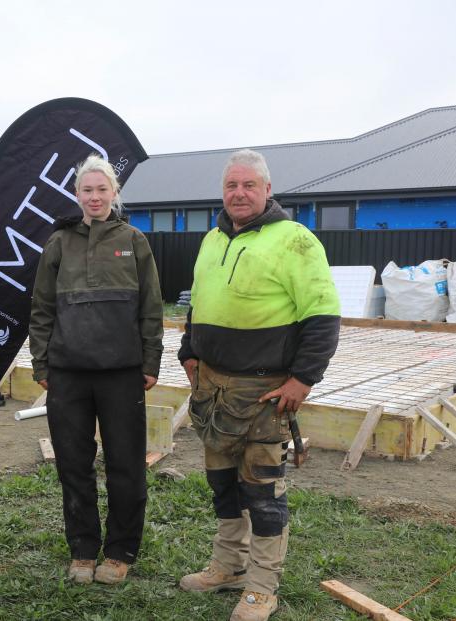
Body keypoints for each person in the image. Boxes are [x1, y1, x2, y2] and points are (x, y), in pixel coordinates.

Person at [177, 149, 340, 621]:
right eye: (231, 185)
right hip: (214, 391)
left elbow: (323, 317)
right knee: (223, 484)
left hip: (266, 392)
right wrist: (189, 351)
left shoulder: (296, 241)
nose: (239, 193)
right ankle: (228, 566)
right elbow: (197, 304)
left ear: (267, 189)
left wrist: (304, 379)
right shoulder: (211, 240)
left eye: (249, 185)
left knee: (264, 492)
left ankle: (262, 588)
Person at [29, 154, 164, 585]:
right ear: (76, 194)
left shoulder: (134, 241)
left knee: (125, 464)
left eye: (101, 189)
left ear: (114, 193)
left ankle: (121, 551)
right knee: (74, 464)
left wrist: (150, 361)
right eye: (86, 190)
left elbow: (151, 308)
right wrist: (41, 362)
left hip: (122, 373)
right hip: (68, 374)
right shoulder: (59, 243)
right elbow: (42, 308)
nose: (94, 197)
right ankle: (83, 549)